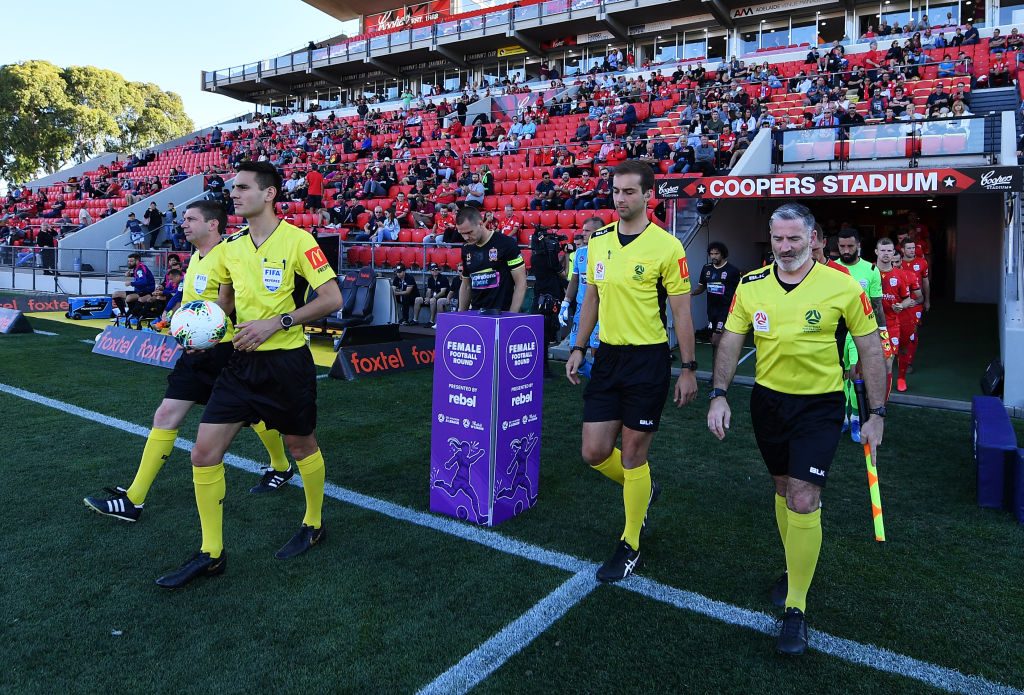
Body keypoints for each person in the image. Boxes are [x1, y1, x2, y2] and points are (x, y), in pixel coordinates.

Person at [707, 203, 887, 656]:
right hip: (768, 403)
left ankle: (796, 608)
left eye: (794, 238)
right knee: (784, 488)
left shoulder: (842, 286)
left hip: (819, 405)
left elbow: (870, 347)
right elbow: (731, 340)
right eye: (778, 238)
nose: (785, 247)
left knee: (805, 497)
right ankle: (794, 567)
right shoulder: (751, 285)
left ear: (813, 240)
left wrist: (877, 413)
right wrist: (719, 394)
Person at [154, 161, 343, 588]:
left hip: (287, 364)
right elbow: (225, 304)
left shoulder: (299, 240)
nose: (234, 194)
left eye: (242, 187)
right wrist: (198, 332)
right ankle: (211, 553)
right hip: (240, 364)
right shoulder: (231, 247)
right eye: (233, 188)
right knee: (203, 453)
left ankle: (314, 523)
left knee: (300, 445)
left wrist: (278, 322)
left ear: (269, 193)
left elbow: (332, 298)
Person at [83, 201, 297, 521]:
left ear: (212, 224)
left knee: (252, 414)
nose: (183, 224)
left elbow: (231, 303)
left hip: (224, 351)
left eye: (190, 219)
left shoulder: (229, 254)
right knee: (166, 414)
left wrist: (202, 333)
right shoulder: (195, 256)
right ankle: (134, 499)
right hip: (195, 351)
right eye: (183, 219)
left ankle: (281, 466)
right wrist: (182, 328)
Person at [565, 160, 699, 583]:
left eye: (628, 192)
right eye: (615, 191)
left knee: (634, 453)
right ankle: (644, 488)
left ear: (647, 195)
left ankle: (630, 543)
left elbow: (682, 313)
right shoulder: (599, 241)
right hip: (607, 358)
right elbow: (592, 298)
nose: (620, 199)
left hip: (648, 361)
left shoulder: (667, 247)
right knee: (593, 452)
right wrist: (579, 346)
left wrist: (689, 368)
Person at [837, 228, 891, 440]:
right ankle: (842, 417)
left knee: (856, 375)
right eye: (842, 246)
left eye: (850, 246)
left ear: (858, 245)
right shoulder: (830, 268)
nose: (846, 250)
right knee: (839, 376)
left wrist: (883, 335)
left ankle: (856, 418)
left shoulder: (871, 269)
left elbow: (877, 305)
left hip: (860, 333)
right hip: (837, 333)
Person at [456, 205, 527, 313]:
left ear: (480, 224)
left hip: (501, 314)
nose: (466, 237)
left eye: (469, 232)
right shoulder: (466, 248)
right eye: (462, 234)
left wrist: (511, 316)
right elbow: (466, 285)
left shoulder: (506, 244)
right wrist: (461, 315)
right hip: (476, 314)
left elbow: (521, 283)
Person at [559, 217, 603, 378]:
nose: (583, 233)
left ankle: (599, 381)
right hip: (580, 308)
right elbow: (575, 280)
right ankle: (594, 377)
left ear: (598, 232)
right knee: (574, 349)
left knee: (597, 350)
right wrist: (565, 303)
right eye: (583, 230)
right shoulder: (580, 253)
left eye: (587, 231)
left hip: (600, 309)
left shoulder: (608, 253)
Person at [691, 241, 740, 355]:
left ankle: (723, 359)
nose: (713, 256)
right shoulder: (706, 268)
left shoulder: (732, 270)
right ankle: (719, 359)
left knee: (717, 336)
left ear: (723, 254)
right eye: (711, 254)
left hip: (725, 308)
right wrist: (691, 293)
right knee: (714, 339)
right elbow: (702, 287)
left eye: (716, 254)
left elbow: (739, 291)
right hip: (711, 309)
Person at [111, 252, 156, 323]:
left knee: (129, 298)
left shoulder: (140, 268)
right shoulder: (136, 268)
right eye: (128, 261)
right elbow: (140, 276)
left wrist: (131, 283)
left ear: (137, 261)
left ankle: (133, 315)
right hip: (139, 291)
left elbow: (143, 281)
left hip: (146, 291)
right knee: (115, 294)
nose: (129, 263)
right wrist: (131, 275)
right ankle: (123, 314)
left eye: (131, 261)